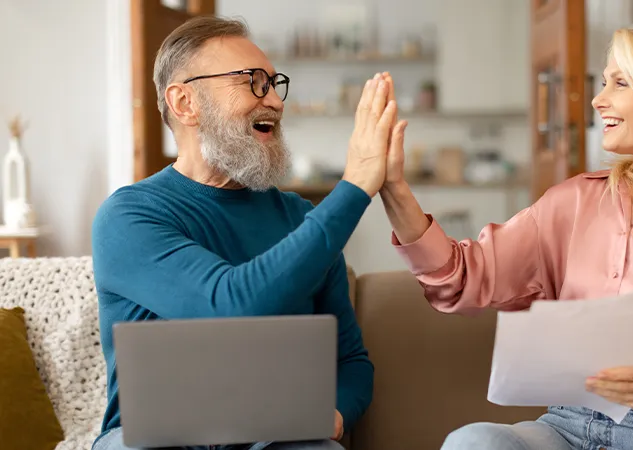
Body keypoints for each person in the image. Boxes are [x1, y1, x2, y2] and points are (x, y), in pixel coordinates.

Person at [378, 16, 633, 450]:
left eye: (620, 83)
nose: (597, 100)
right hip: (565, 425)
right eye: (604, 82)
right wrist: (394, 190)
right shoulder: (573, 203)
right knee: (474, 442)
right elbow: (461, 276)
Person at [91, 16, 402, 450]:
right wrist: (354, 188)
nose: (274, 100)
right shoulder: (129, 217)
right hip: (154, 440)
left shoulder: (298, 218)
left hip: (273, 439)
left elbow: (349, 361)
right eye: (253, 82)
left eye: (275, 84)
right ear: (184, 103)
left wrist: (332, 415)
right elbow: (230, 304)